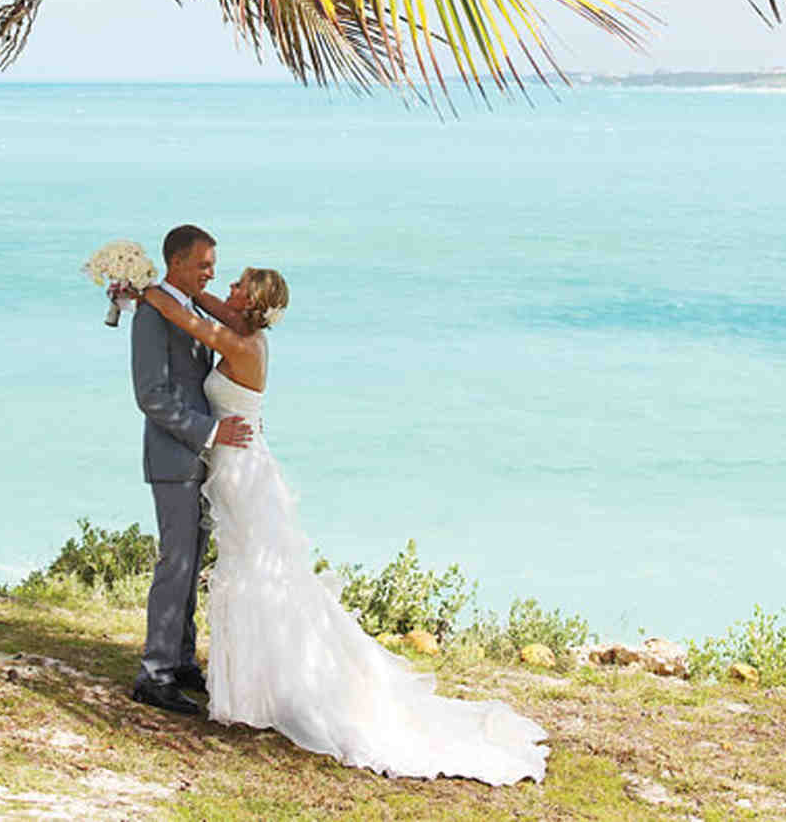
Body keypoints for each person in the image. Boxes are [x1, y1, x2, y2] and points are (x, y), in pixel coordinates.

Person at [138, 268, 550, 785]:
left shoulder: (241, 343)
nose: (230, 288)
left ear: (253, 303)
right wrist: (166, 283)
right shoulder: (241, 327)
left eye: (239, 285)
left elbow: (180, 312)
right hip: (236, 466)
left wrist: (140, 286)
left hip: (242, 473)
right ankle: (247, 682)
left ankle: (263, 689)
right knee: (252, 575)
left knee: (256, 575)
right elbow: (198, 298)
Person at [126, 224, 254, 716]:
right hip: (174, 458)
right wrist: (209, 432)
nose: (211, 272)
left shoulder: (190, 308)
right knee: (175, 565)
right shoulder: (152, 317)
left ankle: (180, 659)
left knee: (192, 562)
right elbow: (151, 395)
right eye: (203, 264)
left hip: (201, 460)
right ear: (176, 262)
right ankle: (153, 673)